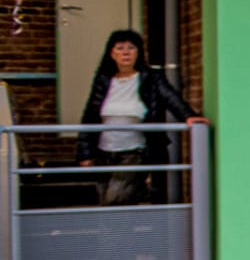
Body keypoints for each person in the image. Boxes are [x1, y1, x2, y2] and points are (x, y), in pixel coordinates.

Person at [74, 29, 204, 205]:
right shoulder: (103, 80)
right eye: (120, 48)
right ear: (112, 53)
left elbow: (170, 97)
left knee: (114, 200)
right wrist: (85, 152)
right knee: (107, 198)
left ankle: (118, 229)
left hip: (134, 151)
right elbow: (90, 114)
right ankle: (121, 230)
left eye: (131, 47)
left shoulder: (150, 77)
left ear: (139, 52)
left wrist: (188, 116)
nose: (126, 52)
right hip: (104, 152)